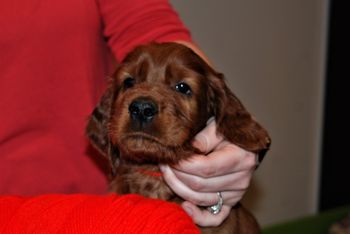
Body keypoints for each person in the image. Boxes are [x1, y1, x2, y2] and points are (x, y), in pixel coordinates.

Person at [0, 0, 259, 227]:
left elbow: (149, 24)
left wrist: (228, 147)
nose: (142, 103)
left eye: (182, 87)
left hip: (95, 206)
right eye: (130, 84)